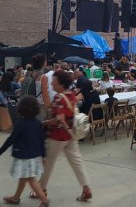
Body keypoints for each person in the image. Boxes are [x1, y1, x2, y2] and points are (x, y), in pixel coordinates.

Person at [33, 70, 92, 201]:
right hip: (71, 134)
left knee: (48, 164)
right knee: (77, 162)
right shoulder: (71, 95)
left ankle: (41, 191)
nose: (52, 84)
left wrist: (44, 122)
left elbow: (59, 118)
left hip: (58, 135)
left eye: (54, 81)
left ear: (61, 84)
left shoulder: (59, 98)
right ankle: (86, 188)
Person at [0, 96, 48, 206]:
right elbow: (42, 141)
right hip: (35, 156)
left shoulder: (20, 124)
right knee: (24, 177)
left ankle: (44, 200)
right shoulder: (38, 123)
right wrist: (44, 156)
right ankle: (16, 198)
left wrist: (0, 151)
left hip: (24, 157)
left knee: (30, 179)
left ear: (21, 109)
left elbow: (11, 139)